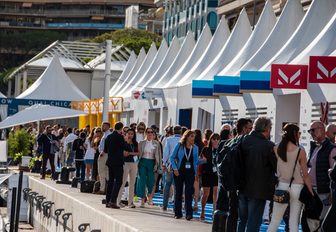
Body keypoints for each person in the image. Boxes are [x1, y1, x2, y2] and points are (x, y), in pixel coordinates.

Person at [268, 124, 313, 232]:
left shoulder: (276, 148)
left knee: (275, 220)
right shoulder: (300, 151)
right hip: (297, 186)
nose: (299, 135)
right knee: (294, 221)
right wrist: (311, 191)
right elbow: (305, 174)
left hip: (282, 186)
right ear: (294, 134)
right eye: (299, 133)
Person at [238, 117, 277, 232]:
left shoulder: (242, 140)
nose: (270, 130)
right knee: (254, 222)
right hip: (259, 189)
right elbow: (277, 167)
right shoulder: (268, 145)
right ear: (266, 129)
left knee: (242, 220)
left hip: (241, 186)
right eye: (270, 128)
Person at [222, 118, 253, 231]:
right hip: (240, 183)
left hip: (230, 183)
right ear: (244, 129)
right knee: (241, 214)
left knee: (233, 212)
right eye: (250, 128)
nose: (251, 130)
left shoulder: (229, 142)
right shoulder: (244, 142)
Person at [170, 130, 206, 220]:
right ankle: (177, 213)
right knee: (178, 192)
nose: (193, 138)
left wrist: (204, 160)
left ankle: (189, 214)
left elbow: (195, 161)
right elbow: (172, 157)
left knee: (189, 192)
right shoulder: (179, 145)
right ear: (186, 137)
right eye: (191, 136)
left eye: (194, 136)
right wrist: (174, 169)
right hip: (178, 171)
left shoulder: (195, 148)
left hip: (190, 172)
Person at [307, 121, 336, 221]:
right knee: (309, 223)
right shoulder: (314, 147)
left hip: (324, 193)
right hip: (311, 191)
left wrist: (332, 195)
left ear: (321, 129)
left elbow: (334, 174)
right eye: (309, 131)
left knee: (321, 223)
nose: (311, 133)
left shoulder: (332, 149)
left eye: (313, 130)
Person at [104, 122, 129, 209]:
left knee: (110, 181)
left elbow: (105, 150)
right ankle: (113, 201)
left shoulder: (109, 137)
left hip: (110, 161)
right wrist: (125, 140)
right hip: (118, 162)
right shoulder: (120, 137)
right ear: (121, 129)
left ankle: (107, 201)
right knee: (118, 181)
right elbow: (127, 147)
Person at [137, 127, 162, 207]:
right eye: (148, 132)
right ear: (145, 133)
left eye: (151, 132)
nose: (150, 133)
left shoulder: (156, 143)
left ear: (154, 134)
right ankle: (142, 200)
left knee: (151, 181)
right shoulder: (141, 142)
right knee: (142, 181)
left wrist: (159, 166)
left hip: (152, 163)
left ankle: (149, 197)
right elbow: (138, 154)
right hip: (143, 162)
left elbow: (159, 155)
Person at [199, 133, 219, 221]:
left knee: (215, 194)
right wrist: (204, 160)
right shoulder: (205, 149)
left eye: (217, 139)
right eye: (214, 139)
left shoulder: (219, 149)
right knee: (205, 194)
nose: (215, 141)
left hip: (216, 174)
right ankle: (202, 211)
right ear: (210, 140)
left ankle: (214, 212)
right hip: (206, 173)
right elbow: (200, 161)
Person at [117, 128, 139, 208]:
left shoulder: (135, 143)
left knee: (132, 184)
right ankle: (118, 201)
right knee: (122, 182)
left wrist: (129, 153)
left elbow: (138, 153)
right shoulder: (123, 142)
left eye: (132, 134)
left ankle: (130, 202)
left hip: (134, 164)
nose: (130, 135)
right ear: (126, 134)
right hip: (125, 163)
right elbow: (121, 152)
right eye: (129, 133)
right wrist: (125, 153)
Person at [162, 125, 182, 211]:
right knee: (177, 186)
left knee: (167, 184)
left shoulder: (168, 139)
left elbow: (166, 153)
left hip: (170, 165)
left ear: (173, 131)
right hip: (180, 165)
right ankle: (176, 206)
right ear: (181, 131)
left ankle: (164, 205)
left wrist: (164, 163)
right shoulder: (183, 140)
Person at [97, 122, 111, 194]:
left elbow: (108, 146)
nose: (102, 127)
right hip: (104, 154)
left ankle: (102, 189)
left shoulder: (108, 135)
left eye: (104, 126)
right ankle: (106, 188)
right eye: (102, 125)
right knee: (105, 172)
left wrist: (103, 151)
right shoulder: (105, 135)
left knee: (102, 171)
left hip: (105, 155)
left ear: (108, 127)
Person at [193, 129, 205, 212]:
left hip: (192, 167)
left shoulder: (192, 145)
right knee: (198, 187)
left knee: (189, 186)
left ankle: (189, 203)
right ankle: (196, 204)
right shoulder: (202, 145)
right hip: (200, 167)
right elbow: (204, 158)